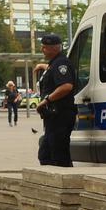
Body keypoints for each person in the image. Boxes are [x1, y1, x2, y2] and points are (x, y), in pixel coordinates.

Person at [35, 33, 77, 166]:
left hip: (60, 114)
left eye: (45, 47)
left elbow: (66, 86)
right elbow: (54, 71)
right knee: (46, 153)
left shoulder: (61, 63)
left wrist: (46, 100)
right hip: (53, 116)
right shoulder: (55, 63)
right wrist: (43, 66)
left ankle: (67, 183)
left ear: (55, 48)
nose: (42, 50)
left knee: (58, 155)